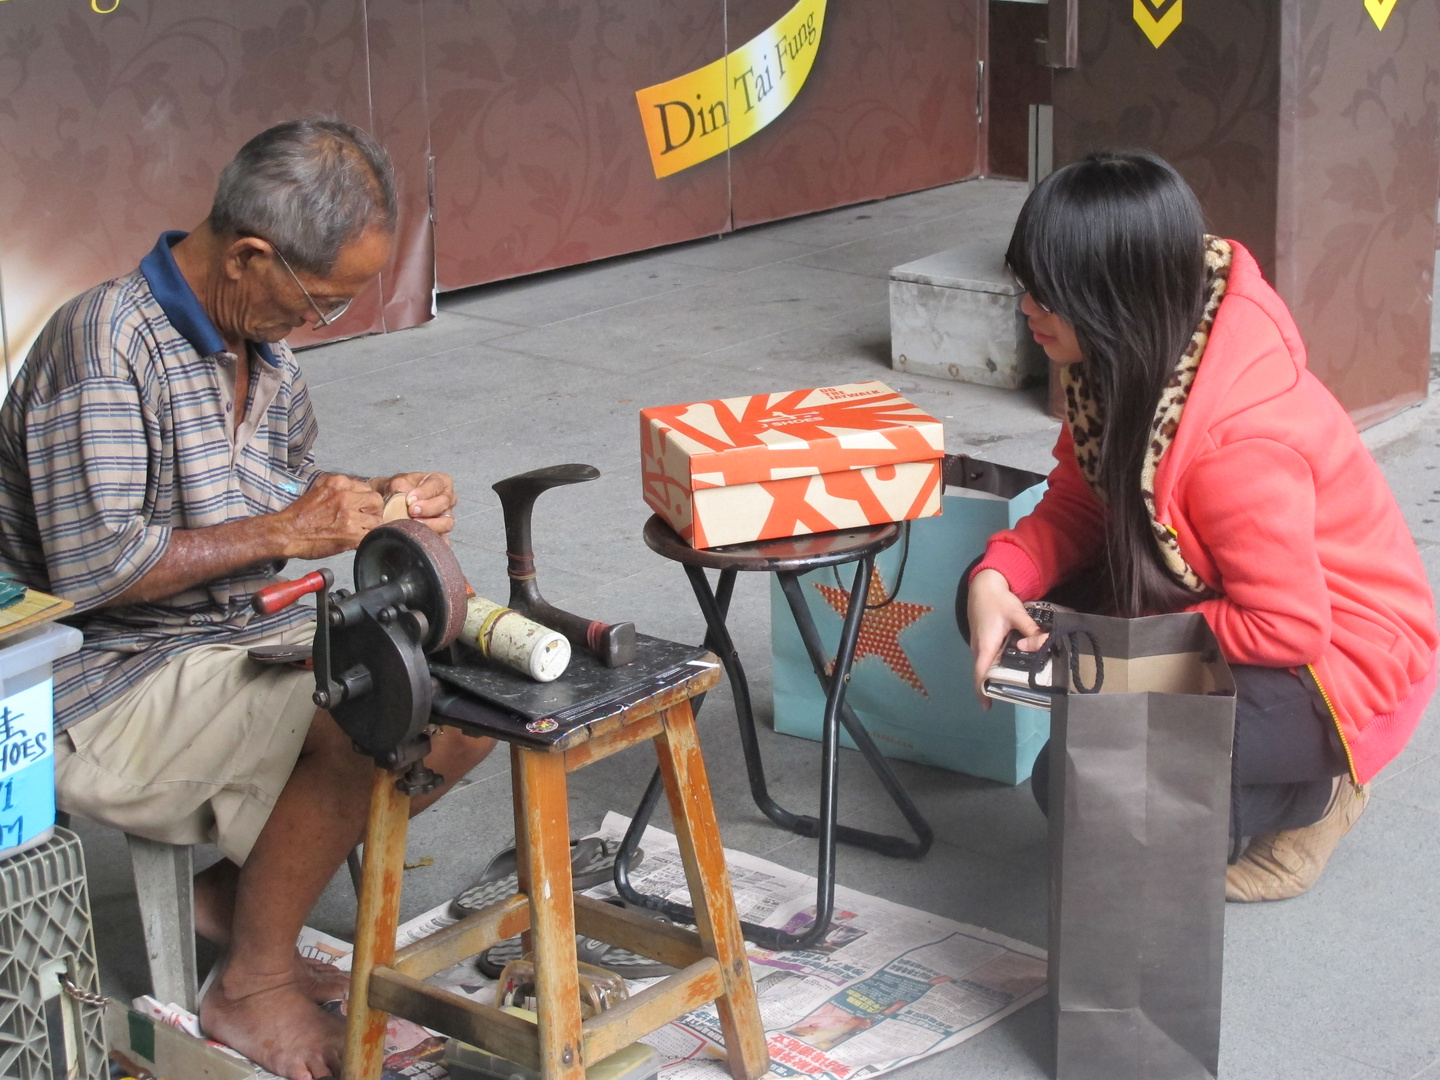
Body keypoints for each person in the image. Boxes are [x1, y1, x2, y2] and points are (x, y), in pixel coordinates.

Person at [0, 119, 495, 1080]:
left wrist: (377, 498)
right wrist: (286, 533)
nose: (324, 321)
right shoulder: (102, 346)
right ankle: (250, 984)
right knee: (373, 709)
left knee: (473, 696)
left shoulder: (260, 353)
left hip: (226, 638)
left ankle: (235, 895)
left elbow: (283, 495)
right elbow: (93, 571)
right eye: (322, 300)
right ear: (249, 256)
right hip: (100, 678)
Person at [962, 150, 1438, 903]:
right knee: (1071, 723)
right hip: (1225, 592)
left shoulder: (1236, 443)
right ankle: (1220, 769)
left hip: (1334, 660)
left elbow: (1289, 627)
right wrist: (998, 577)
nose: (1027, 309)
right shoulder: (1119, 355)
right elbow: (1083, 504)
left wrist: (1120, 658)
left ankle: (1317, 796)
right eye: (1026, 286)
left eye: (1048, 296)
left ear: (1114, 299)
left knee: (1084, 782)